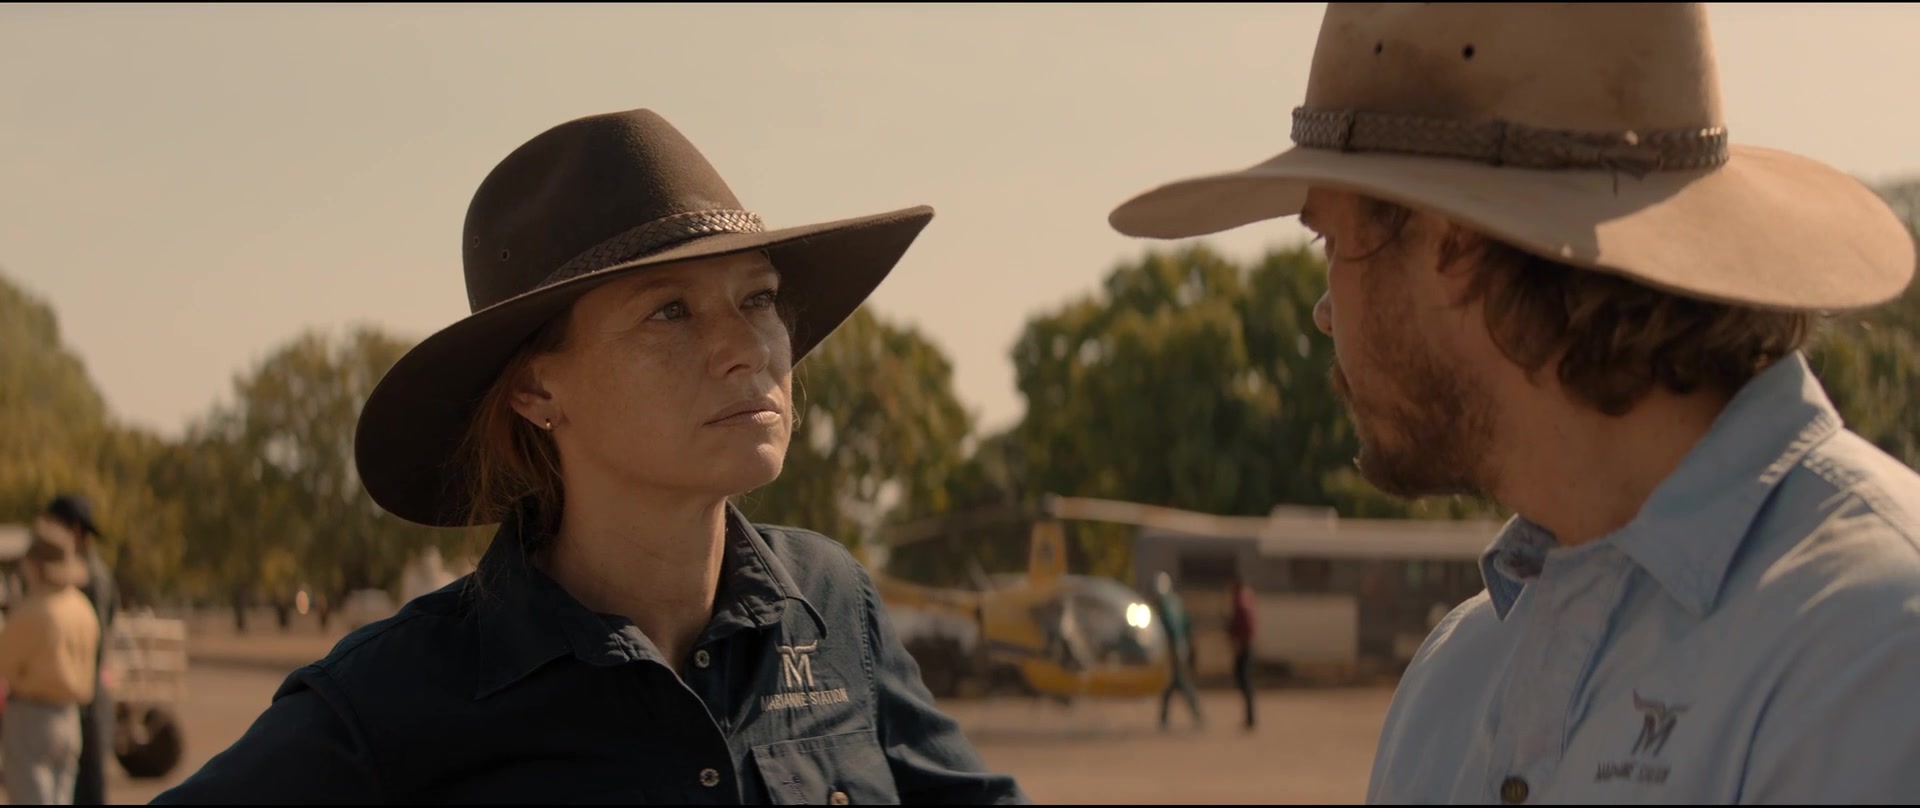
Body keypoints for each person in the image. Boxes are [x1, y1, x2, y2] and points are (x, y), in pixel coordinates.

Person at [1108, 4, 1918, 804]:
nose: (1325, 311)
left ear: (1455, 242)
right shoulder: (1453, 680)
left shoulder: (1876, 650)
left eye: (1330, 241)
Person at [153, 108, 1026, 804]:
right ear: (537, 391)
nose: (745, 349)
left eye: (758, 298)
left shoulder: (834, 608)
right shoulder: (395, 700)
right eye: (669, 312)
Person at [0, 516, 103, 805]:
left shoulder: (33, 611)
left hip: (32, 716)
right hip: (70, 716)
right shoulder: (83, 610)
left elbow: (4, 663)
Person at [38, 494, 116, 806]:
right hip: (78, 698)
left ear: (74, 530)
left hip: (87, 702)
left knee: (87, 791)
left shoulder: (91, 578)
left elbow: (92, 645)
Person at [1152, 572, 1203, 731]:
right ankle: (1164, 718)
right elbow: (1187, 624)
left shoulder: (1166, 605)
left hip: (1174, 649)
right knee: (1170, 684)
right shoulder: (1176, 601)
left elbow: (1171, 629)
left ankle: (1196, 714)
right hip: (1181, 647)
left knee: (1180, 682)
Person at [1226, 574, 1255, 730]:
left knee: (1244, 681)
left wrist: (1239, 644)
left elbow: (1243, 627)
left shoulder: (1241, 603)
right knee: (1243, 681)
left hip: (1243, 646)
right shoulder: (1244, 601)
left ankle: (1250, 717)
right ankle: (1249, 717)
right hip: (1244, 645)